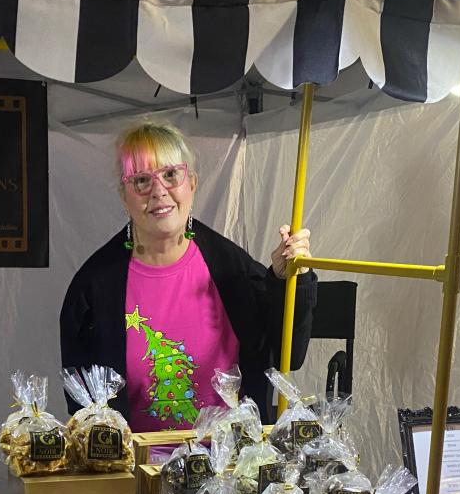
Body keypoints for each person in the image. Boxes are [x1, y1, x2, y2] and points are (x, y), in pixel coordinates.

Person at [60, 120, 317, 429]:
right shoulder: (93, 288)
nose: (159, 191)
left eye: (171, 175)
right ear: (124, 196)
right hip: (136, 458)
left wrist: (290, 281)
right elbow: (83, 408)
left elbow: (290, 355)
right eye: (141, 180)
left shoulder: (231, 267)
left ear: (192, 184)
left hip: (230, 456)